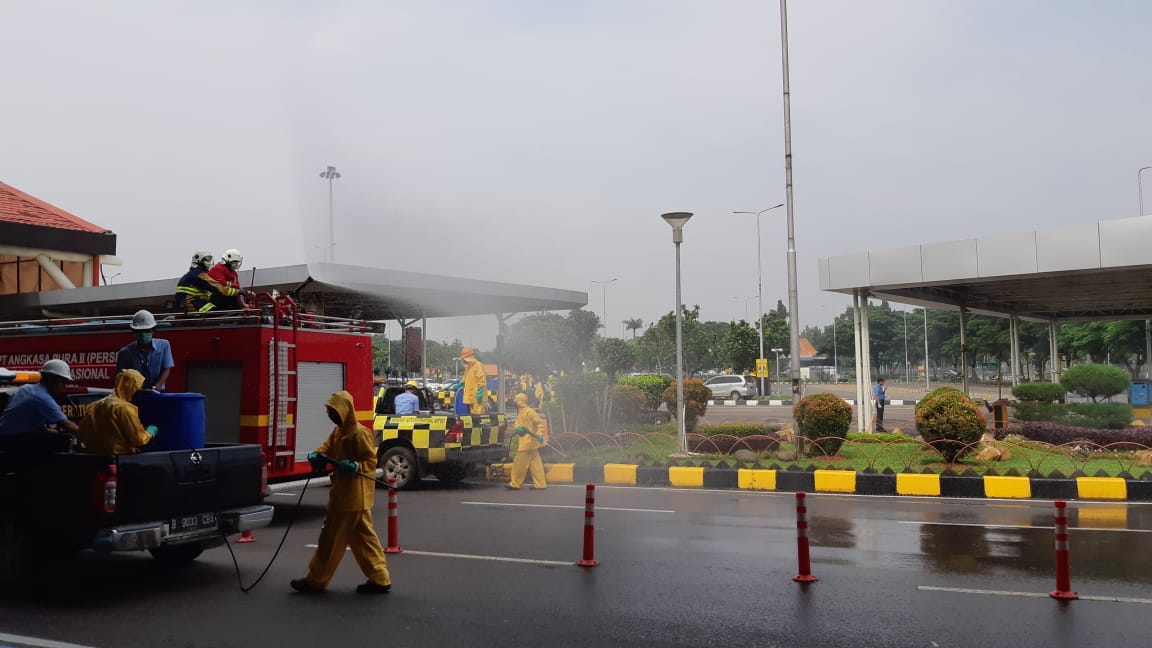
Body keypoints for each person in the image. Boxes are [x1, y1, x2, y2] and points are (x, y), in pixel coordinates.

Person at [291, 390, 392, 595]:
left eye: (334, 411)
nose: (331, 416)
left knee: (330, 539)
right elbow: (325, 449)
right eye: (330, 412)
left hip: (350, 498)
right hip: (350, 497)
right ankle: (380, 577)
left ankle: (316, 579)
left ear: (346, 411)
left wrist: (355, 466)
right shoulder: (338, 432)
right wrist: (317, 455)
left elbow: (370, 461)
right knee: (365, 539)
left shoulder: (359, 433)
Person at [75, 369, 155, 455]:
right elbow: (138, 439)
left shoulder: (93, 405)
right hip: (119, 459)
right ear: (132, 387)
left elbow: (82, 434)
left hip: (93, 457)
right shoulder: (125, 408)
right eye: (139, 388)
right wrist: (150, 431)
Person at [0, 359, 79, 436]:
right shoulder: (42, 397)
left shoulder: (26, 388)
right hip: (12, 441)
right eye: (62, 381)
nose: (64, 386)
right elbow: (67, 425)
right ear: (50, 379)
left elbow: (21, 420)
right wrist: (87, 436)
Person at [115, 310, 174, 391]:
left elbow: (166, 369)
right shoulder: (125, 353)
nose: (143, 334)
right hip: (135, 395)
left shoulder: (164, 346)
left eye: (146, 331)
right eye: (139, 331)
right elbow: (120, 377)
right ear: (133, 332)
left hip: (158, 393)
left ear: (153, 330)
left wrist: (155, 388)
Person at [174, 251, 239, 313]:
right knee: (222, 312)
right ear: (198, 261)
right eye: (206, 260)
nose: (209, 262)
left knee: (220, 307)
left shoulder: (193, 274)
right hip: (193, 306)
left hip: (192, 305)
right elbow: (217, 288)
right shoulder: (198, 274)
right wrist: (238, 291)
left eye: (210, 259)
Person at [507, 393, 547, 490]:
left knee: (519, 463)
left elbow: (539, 423)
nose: (514, 401)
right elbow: (518, 423)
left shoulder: (529, 411)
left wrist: (540, 434)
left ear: (519, 401)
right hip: (531, 443)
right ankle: (540, 484)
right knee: (536, 464)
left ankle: (515, 483)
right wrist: (518, 428)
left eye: (516, 399)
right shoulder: (522, 412)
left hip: (527, 443)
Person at [460, 347, 487, 414]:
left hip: (478, 397)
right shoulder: (468, 367)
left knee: (478, 416)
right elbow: (465, 379)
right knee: (473, 417)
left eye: (464, 358)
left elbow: (482, 379)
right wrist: (459, 384)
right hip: (471, 397)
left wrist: (480, 392)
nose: (464, 360)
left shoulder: (478, 365)